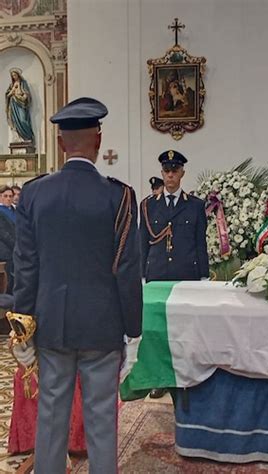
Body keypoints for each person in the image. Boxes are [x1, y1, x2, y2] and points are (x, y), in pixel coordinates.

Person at [11, 97, 143, 474]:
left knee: (51, 418)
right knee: (101, 420)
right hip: (103, 327)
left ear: (59, 142)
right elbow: (127, 269)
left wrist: (22, 328)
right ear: (98, 141)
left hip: (52, 325)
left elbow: (26, 265)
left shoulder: (34, 194)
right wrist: (133, 331)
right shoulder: (119, 196)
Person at [140, 149, 209, 282]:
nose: (170, 175)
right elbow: (143, 243)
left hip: (186, 273)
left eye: (175, 171)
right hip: (155, 273)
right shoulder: (148, 205)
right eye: (166, 171)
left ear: (182, 173)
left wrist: (204, 275)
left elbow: (200, 243)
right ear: (162, 173)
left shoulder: (195, 206)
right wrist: (141, 275)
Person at [5, 68, 35, 143]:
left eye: (15, 75)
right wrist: (11, 93)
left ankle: (28, 137)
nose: (14, 77)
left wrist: (23, 97)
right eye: (12, 76)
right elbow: (7, 95)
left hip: (21, 104)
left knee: (22, 120)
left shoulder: (23, 83)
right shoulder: (11, 85)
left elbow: (26, 94)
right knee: (15, 122)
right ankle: (19, 138)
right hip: (13, 104)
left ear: (18, 75)